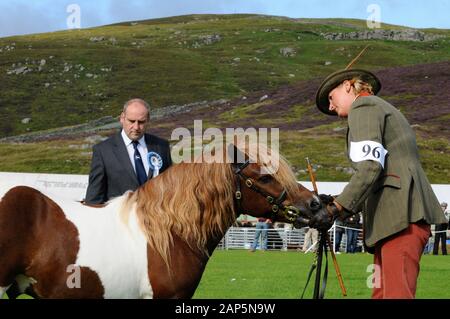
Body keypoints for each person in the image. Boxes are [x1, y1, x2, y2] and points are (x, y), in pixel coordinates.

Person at [312, 68, 447, 298]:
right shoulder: (378, 107)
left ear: (347, 85)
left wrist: (337, 207)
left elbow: (370, 166)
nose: (331, 107)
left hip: (400, 217)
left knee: (395, 295)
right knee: (382, 294)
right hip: (393, 219)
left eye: (331, 99)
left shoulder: (364, 107)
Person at [85, 98, 172, 204]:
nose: (136, 127)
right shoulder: (103, 150)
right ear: (122, 118)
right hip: (118, 219)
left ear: (148, 120)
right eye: (131, 121)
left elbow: (170, 189)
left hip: (155, 217)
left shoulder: (162, 146)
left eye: (141, 122)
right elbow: (94, 198)